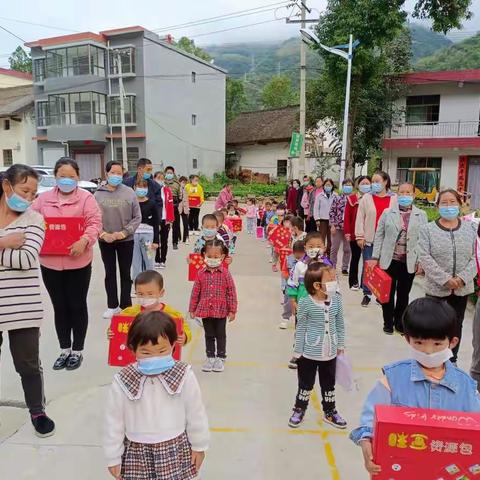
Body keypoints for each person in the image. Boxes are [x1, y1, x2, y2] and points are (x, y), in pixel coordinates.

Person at [350, 298, 480, 477]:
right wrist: (366, 442)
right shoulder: (392, 379)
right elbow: (370, 420)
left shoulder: (466, 387)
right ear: (407, 339)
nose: (428, 351)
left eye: (437, 344)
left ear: (452, 342)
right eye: (419, 343)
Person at [103, 311, 209, 480]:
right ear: (132, 349)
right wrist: (113, 457)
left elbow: (195, 412)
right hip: (137, 452)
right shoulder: (123, 380)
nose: (155, 357)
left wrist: (199, 445)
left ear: (173, 345)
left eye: (161, 350)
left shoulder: (184, 375)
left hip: (175, 448)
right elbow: (114, 421)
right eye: (146, 353)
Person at [0, 164, 55, 437]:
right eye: (25, 191)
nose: (29, 198)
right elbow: (13, 255)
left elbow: (25, 258)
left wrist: (13, 245)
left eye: (33, 194)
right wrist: (4, 242)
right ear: (6, 186)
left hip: (22, 306)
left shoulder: (34, 219)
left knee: (28, 363)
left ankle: (37, 411)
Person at [32, 157, 102, 371]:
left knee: (77, 305)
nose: (67, 180)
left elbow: (95, 222)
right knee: (59, 307)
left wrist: (84, 240)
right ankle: (64, 349)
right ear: (55, 177)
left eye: (71, 177)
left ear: (78, 177)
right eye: (62, 176)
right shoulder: (42, 200)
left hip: (78, 262)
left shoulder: (86, 199)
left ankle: (77, 350)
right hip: (50, 263)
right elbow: (31, 220)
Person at [418, 189, 477, 364]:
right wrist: (445, 279)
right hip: (436, 289)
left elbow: (476, 256)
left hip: (461, 289)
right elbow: (424, 256)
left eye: (453, 202)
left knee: (456, 325)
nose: (449, 206)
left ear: (460, 204)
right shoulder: (427, 229)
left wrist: (461, 279)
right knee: (434, 326)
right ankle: (433, 360)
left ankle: (452, 361)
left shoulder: (471, 229)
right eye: (444, 203)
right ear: (437, 206)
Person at [288, 262, 347, 429]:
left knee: (329, 384)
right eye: (330, 279)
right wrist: (297, 351)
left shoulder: (336, 300)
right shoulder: (306, 302)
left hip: (330, 352)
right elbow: (301, 328)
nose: (334, 282)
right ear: (317, 285)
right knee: (305, 384)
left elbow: (340, 324)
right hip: (308, 353)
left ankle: (330, 411)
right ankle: (299, 409)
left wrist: (340, 344)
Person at [370, 182, 428, 335]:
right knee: (387, 293)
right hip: (389, 260)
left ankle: (400, 323)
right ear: (397, 195)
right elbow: (379, 235)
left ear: (414, 195)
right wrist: (375, 257)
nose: (404, 195)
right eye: (401, 192)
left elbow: (424, 239)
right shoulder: (388, 212)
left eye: (408, 192)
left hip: (409, 262)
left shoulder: (421, 215)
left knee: (403, 294)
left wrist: (420, 261)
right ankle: (387, 322)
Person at [95, 161, 142, 319]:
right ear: (107, 173)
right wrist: (102, 234)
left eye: (119, 173)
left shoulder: (129, 192)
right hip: (105, 240)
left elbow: (137, 217)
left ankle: (125, 305)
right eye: (113, 172)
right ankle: (112, 305)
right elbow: (93, 218)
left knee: (125, 273)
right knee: (110, 273)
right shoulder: (98, 194)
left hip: (125, 240)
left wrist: (123, 233)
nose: (116, 176)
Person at [107, 270, 192, 350]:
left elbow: (184, 328)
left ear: (161, 293)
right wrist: (111, 332)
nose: (145, 298)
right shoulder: (129, 313)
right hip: (138, 357)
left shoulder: (172, 314)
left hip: (161, 357)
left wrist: (185, 337)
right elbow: (116, 325)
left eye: (150, 294)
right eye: (140, 294)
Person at [189, 239, 237, 373]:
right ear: (204, 255)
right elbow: (195, 293)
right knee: (209, 334)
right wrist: (192, 309)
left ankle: (221, 357)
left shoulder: (226, 274)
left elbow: (231, 292)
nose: (212, 259)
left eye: (216, 257)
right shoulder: (200, 274)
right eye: (209, 256)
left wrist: (232, 310)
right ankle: (210, 356)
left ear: (222, 257)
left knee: (221, 334)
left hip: (221, 311)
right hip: (205, 311)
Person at [287, 231, 333, 369]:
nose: (315, 249)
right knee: (301, 329)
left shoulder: (328, 266)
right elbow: (292, 283)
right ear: (305, 248)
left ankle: (318, 354)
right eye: (311, 246)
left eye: (318, 245)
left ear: (324, 247)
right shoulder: (300, 266)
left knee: (319, 329)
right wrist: (293, 301)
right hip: (303, 305)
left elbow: (333, 285)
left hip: (321, 306)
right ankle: (298, 354)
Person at [355, 171, 397, 307]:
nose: (374, 184)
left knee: (385, 268)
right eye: (373, 181)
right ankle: (366, 294)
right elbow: (360, 218)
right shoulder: (366, 198)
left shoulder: (394, 198)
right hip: (370, 238)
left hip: (388, 241)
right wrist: (359, 236)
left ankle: (381, 295)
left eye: (377, 181)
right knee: (369, 267)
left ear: (385, 182)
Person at [344, 176, 371, 290]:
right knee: (355, 258)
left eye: (367, 183)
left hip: (369, 234)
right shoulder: (352, 199)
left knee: (368, 261)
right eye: (362, 183)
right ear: (358, 185)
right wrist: (348, 233)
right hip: (355, 234)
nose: (365, 185)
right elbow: (347, 217)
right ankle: (353, 282)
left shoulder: (372, 198)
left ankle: (365, 284)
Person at [131, 179, 159, 280]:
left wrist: (156, 241)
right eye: (139, 187)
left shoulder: (152, 204)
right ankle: (137, 285)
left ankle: (151, 284)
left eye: (144, 187)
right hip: (134, 236)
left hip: (148, 237)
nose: (141, 189)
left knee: (149, 260)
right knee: (136, 263)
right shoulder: (131, 203)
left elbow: (156, 222)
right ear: (134, 188)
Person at [329, 179, 354, 275]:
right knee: (334, 248)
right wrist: (332, 225)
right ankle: (332, 266)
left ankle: (344, 267)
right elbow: (332, 212)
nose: (348, 187)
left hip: (349, 228)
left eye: (349, 185)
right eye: (346, 185)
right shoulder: (337, 198)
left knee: (347, 249)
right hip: (337, 226)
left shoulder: (354, 199)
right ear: (342, 187)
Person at [280, 240, 305, 330]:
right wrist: (284, 285)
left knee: (301, 303)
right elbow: (284, 272)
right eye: (296, 255)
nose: (298, 258)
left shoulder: (307, 261)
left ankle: (300, 321)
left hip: (302, 286)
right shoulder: (289, 259)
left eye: (301, 255)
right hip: (290, 285)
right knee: (288, 302)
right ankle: (285, 318)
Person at [153, 171, 174, 269]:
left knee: (164, 240)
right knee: (156, 240)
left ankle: (163, 260)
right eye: (158, 178)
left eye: (162, 178)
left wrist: (170, 220)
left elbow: (170, 206)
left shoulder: (167, 190)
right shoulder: (151, 190)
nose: (160, 180)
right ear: (154, 179)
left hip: (165, 219)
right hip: (155, 220)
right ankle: (156, 259)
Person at [314, 178, 336, 257]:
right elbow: (316, 208)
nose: (328, 187)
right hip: (322, 220)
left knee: (331, 239)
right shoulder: (319, 196)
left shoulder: (335, 195)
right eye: (326, 185)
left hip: (332, 221)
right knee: (322, 238)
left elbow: (337, 209)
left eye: (329, 185)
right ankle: (321, 255)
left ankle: (329, 255)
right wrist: (317, 219)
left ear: (332, 186)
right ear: (323, 186)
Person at [164, 166, 182, 250]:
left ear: (173, 173)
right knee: (165, 226)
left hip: (174, 206)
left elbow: (180, 196)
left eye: (171, 173)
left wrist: (176, 203)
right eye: (168, 173)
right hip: (164, 207)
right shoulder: (162, 183)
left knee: (176, 225)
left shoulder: (176, 184)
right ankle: (164, 241)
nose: (169, 174)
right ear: (165, 173)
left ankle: (175, 242)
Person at [178, 176, 190, 245]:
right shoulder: (177, 189)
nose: (184, 184)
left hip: (185, 209)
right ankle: (178, 238)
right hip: (178, 208)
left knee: (186, 224)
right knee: (177, 224)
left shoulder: (186, 189)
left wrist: (188, 208)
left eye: (185, 183)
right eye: (183, 182)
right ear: (180, 182)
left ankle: (186, 238)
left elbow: (187, 200)